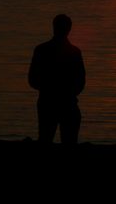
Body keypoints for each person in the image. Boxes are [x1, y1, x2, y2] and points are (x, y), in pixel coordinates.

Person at [28, 14, 86, 144]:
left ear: (54, 27)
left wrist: (47, 89)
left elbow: (32, 80)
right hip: (67, 103)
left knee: (46, 139)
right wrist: (68, 93)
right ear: (69, 29)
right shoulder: (75, 52)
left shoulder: (41, 50)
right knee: (68, 141)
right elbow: (81, 81)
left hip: (48, 103)